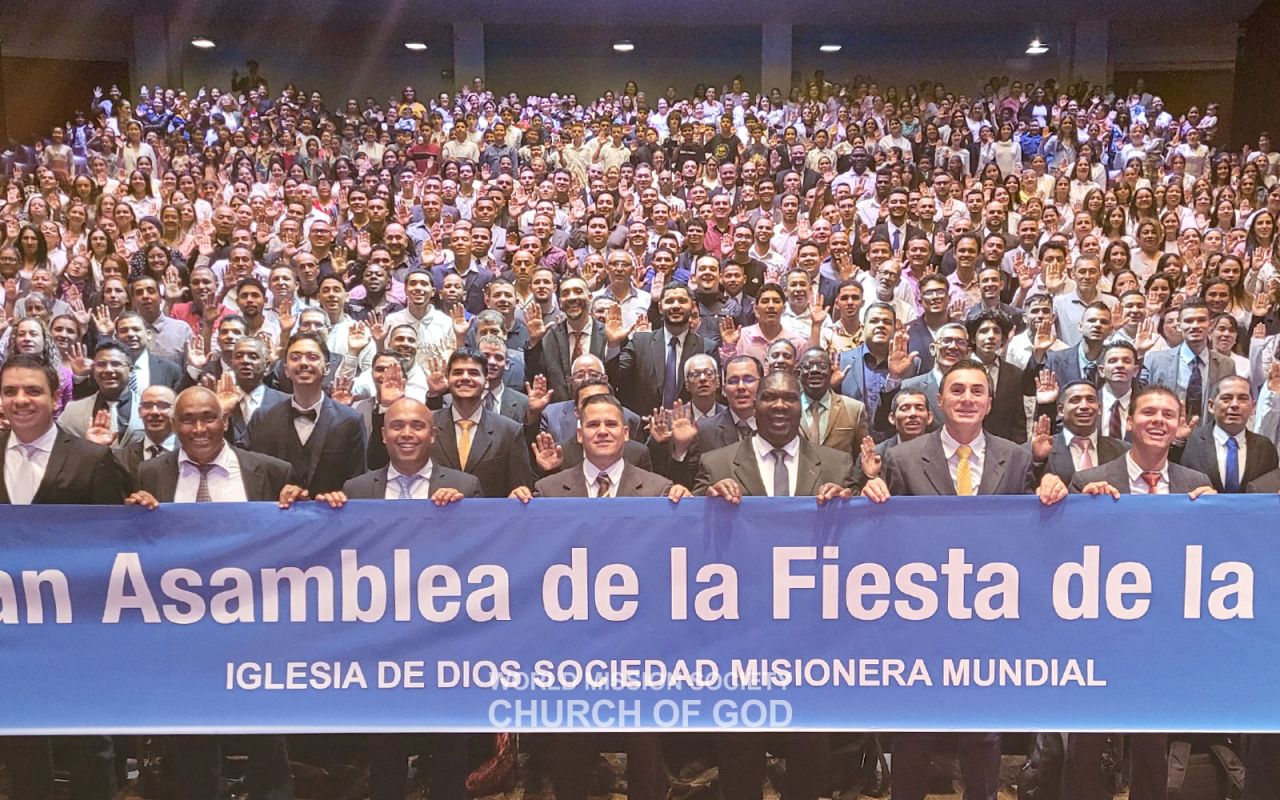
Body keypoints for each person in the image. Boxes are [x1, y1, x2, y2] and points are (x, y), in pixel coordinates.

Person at [861, 360, 1067, 800]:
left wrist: (1051, 485)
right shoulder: (900, 459)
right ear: (940, 400)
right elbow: (882, 537)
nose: (967, 398)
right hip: (919, 616)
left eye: (977, 391)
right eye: (957, 391)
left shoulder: (1015, 457)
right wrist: (870, 493)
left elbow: (1030, 525)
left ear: (990, 403)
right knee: (914, 731)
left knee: (982, 732)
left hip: (987, 617)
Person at [123, 386, 297, 800]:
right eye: (187, 419)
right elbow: (140, 555)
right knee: (193, 753)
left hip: (254, 632)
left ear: (225, 421)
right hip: (184, 636)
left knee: (266, 746)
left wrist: (302, 505)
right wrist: (132, 517)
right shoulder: (151, 475)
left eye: (208, 417)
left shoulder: (271, 471)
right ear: (173, 423)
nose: (198, 428)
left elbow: (294, 547)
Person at [508, 392, 684, 800]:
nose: (602, 431)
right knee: (571, 750)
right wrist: (516, 511)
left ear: (626, 432)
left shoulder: (661, 491)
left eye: (610, 424)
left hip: (640, 642)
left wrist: (687, 510)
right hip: (571, 642)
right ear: (579, 434)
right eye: (593, 425)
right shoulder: (547, 490)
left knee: (644, 751)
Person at [694, 370, 854, 800]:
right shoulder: (717, 464)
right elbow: (686, 541)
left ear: (801, 404)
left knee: (808, 745)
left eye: (788, 398)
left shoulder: (837, 465)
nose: (779, 406)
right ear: (753, 405)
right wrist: (704, 501)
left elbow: (862, 544)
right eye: (770, 398)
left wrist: (851, 502)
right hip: (739, 625)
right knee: (741, 746)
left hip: (811, 629)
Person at [310, 396, 479, 800]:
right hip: (381, 640)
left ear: (433, 434)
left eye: (417, 426)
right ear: (383, 435)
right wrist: (325, 514)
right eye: (397, 426)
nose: (407, 434)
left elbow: (482, 556)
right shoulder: (356, 489)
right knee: (386, 749)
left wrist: (464, 515)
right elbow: (339, 558)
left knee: (447, 748)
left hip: (444, 640)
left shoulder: (463, 487)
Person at [0, 353, 128, 800]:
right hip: (8, 635)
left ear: (56, 398)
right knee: (18, 747)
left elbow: (116, 544)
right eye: (11, 390)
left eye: (33, 390)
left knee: (89, 745)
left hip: (78, 631)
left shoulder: (92, 459)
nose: (21, 400)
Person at [247, 332, 367, 494]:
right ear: (286, 370)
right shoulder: (262, 419)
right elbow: (254, 478)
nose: (303, 363)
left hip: (332, 515)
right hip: (276, 515)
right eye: (295, 358)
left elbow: (357, 483)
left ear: (327, 368)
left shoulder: (350, 421)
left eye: (312, 357)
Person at [431, 348, 533, 497]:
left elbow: (520, 489)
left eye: (473, 373)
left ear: (486, 381)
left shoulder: (509, 431)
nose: (465, 378)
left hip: (490, 518)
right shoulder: (428, 424)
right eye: (458, 372)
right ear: (448, 379)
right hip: (436, 515)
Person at [606, 282, 707, 414]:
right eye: (670, 301)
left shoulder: (706, 347)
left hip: (689, 427)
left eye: (682, 301)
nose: (676, 306)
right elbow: (615, 380)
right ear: (660, 307)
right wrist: (613, 345)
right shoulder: (640, 342)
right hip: (643, 427)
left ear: (692, 306)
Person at [1174, 375, 1276, 492]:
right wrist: (1177, 442)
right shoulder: (1191, 441)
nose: (1234, 405)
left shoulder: (1265, 448)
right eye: (1226, 398)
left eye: (1242, 398)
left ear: (1253, 407)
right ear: (1211, 406)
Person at [1140, 301, 1235, 424]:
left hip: (1208, 437)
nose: (1195, 326)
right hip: (1166, 434)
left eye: (1201, 320)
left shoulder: (1226, 365)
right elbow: (1137, 396)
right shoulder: (1155, 360)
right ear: (1179, 326)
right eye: (1188, 321)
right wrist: (1138, 353)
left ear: (1210, 325)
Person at [1030, 380, 1130, 485]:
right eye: (1075, 400)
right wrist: (1038, 461)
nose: (1084, 406)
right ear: (1061, 410)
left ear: (1099, 409)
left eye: (1090, 400)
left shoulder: (1123, 451)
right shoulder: (1038, 451)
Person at [796, 346, 868, 460]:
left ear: (831, 371)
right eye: (808, 366)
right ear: (798, 373)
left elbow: (862, 457)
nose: (815, 370)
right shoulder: (788, 408)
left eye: (822, 366)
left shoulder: (855, 409)